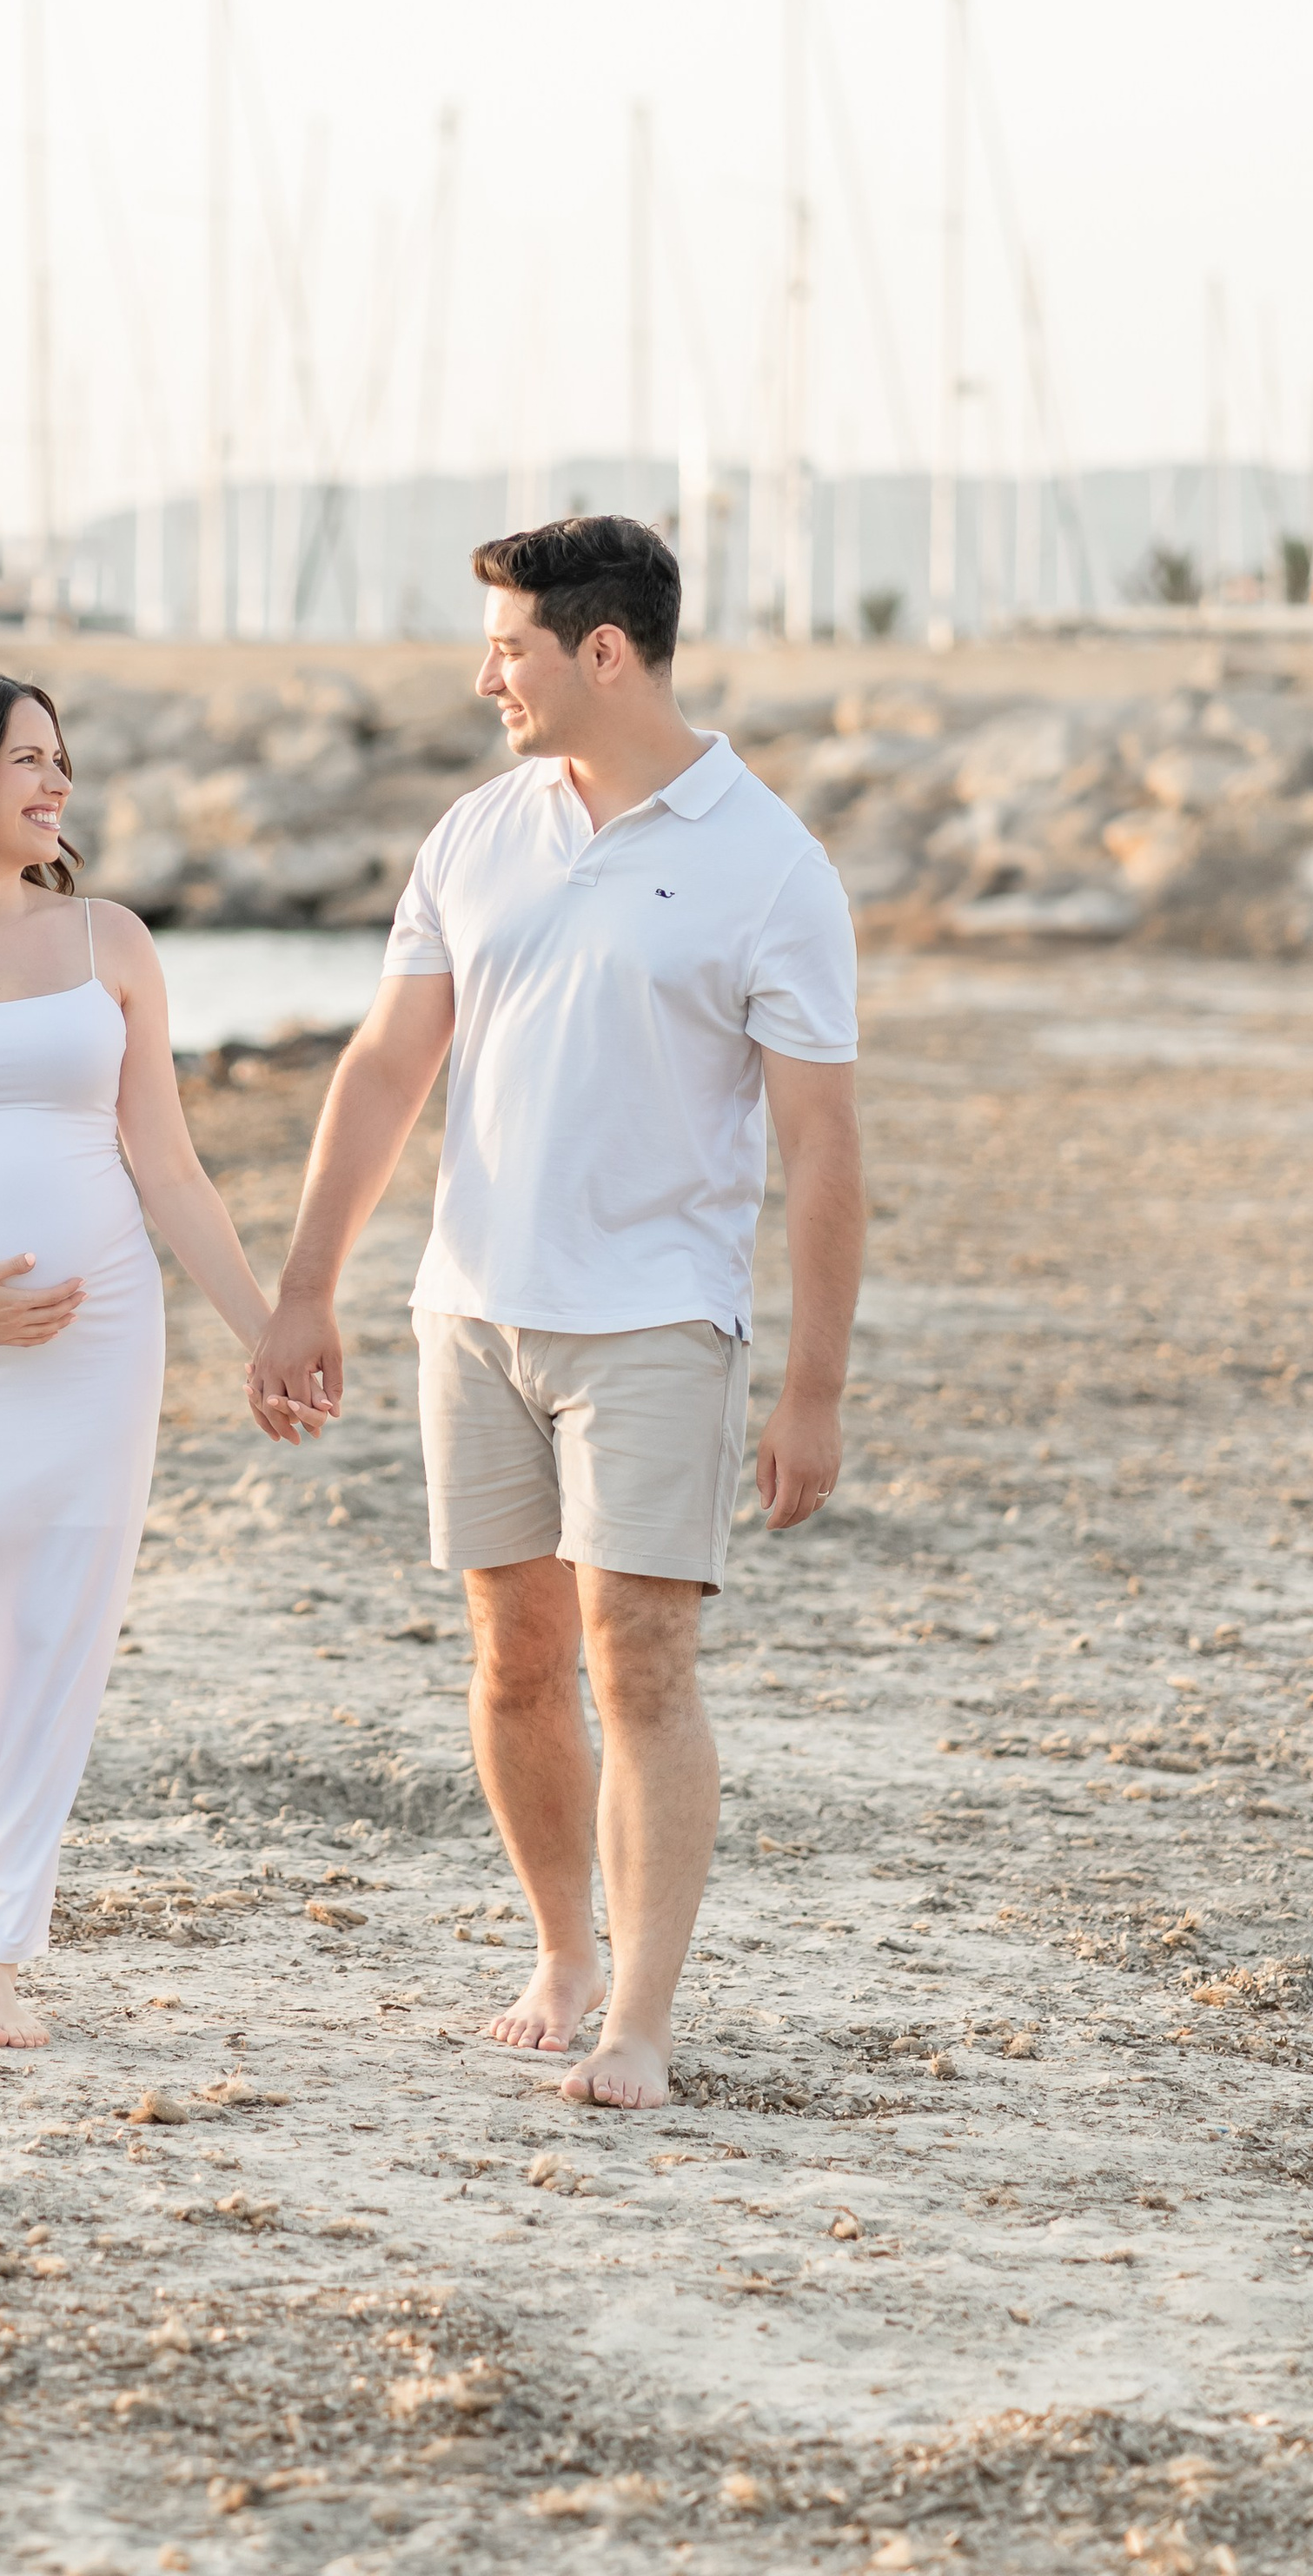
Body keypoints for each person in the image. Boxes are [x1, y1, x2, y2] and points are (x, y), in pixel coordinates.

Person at [249, 516, 863, 2111]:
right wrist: (306, 1287)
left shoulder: (771, 865)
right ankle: (563, 1953)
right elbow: (390, 1065)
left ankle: (640, 2025)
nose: (484, 677)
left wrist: (814, 1392)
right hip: (470, 1310)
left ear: (602, 652)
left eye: (509, 649)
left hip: (658, 1317)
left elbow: (820, 1146)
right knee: (514, 1656)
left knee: (639, 1657)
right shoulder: (476, 832)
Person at [0, 671, 313, 2050]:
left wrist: (265, 1331)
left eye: (61, 760)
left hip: (95, 1346)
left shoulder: (115, 944)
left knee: (50, 1640)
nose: (56, 783)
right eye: (29, 759)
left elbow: (175, 1172)